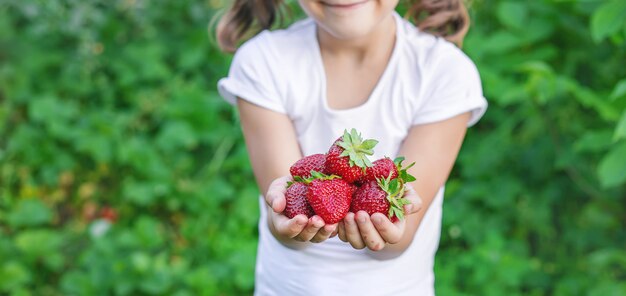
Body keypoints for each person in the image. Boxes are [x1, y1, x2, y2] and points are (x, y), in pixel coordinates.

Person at [216, 0, 487, 294]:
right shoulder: (263, 61)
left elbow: (400, 237)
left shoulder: (444, 72)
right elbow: (286, 205)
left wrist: (391, 226)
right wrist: (285, 220)